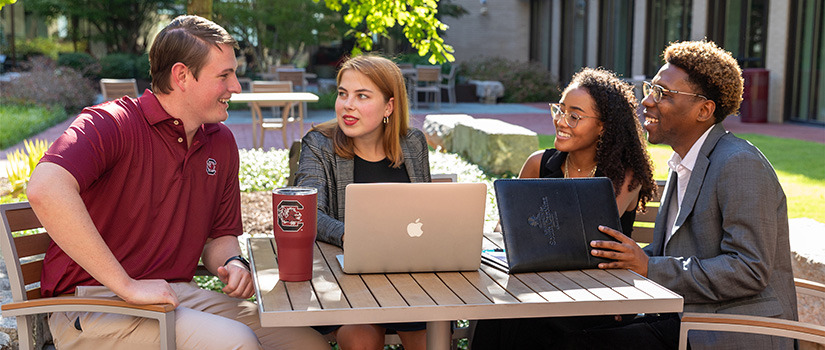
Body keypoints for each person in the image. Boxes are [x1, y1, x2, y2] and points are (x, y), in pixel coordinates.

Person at [26, 15, 329, 350]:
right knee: (236, 343)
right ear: (182, 75)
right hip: (93, 303)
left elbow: (219, 237)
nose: (236, 87)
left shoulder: (220, 142)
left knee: (306, 343)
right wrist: (128, 286)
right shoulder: (111, 123)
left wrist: (231, 263)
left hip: (173, 294)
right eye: (224, 75)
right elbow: (44, 188)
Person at [588, 40, 798, 349]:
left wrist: (648, 267)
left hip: (732, 331)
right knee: (562, 330)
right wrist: (622, 267)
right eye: (650, 88)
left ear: (704, 110)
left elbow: (748, 269)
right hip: (686, 318)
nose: (647, 100)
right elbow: (669, 253)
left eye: (662, 93)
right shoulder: (684, 163)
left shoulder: (739, 163)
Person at [472, 67, 658, 349]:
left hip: (598, 293)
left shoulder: (623, 177)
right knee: (501, 314)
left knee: (528, 319)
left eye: (575, 116)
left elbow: (582, 240)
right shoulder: (538, 164)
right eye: (560, 110)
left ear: (603, 126)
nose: (561, 121)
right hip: (535, 288)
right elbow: (508, 231)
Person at [294, 54, 431, 350]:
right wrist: (352, 237)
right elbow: (308, 211)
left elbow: (426, 212)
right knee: (362, 339)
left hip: (408, 277)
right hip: (344, 280)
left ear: (389, 106)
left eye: (362, 96)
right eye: (343, 94)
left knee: (430, 339)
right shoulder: (319, 144)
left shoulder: (413, 144)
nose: (348, 105)